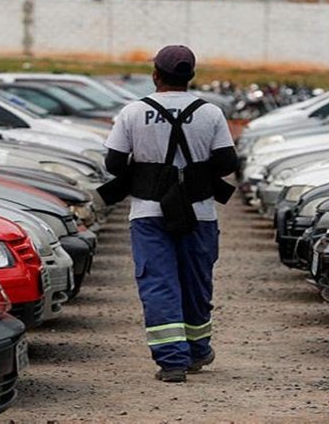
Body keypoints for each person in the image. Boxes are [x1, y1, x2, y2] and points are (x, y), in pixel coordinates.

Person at [102, 45, 238, 383]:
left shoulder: (133, 112)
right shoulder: (211, 113)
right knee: (196, 283)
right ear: (190, 76)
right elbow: (226, 164)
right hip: (200, 213)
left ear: (155, 75)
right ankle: (197, 350)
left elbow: (114, 164)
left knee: (158, 283)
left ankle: (172, 362)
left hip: (149, 213)